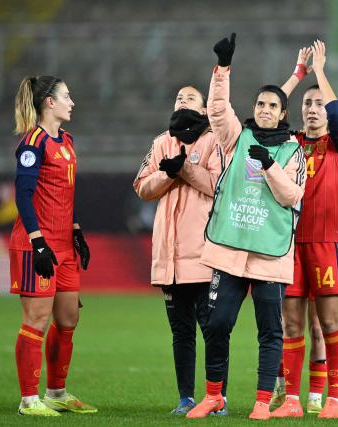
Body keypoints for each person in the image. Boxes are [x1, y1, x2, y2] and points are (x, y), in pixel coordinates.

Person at [185, 33, 306, 421]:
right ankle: (214, 396)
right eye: (260, 103)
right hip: (232, 248)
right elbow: (218, 111)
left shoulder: (292, 150)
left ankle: (261, 401)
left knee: (270, 333)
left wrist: (269, 166)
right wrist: (222, 69)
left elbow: (292, 197)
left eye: (273, 105)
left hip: (270, 253)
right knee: (217, 325)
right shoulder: (238, 138)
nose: (265, 109)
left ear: (283, 114)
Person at [269, 40, 338, 419]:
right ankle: (294, 402)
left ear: (327, 114)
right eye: (307, 104)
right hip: (290, 246)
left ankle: (332, 399)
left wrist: (320, 72)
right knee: (292, 323)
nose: (312, 109)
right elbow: (269, 108)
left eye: (318, 105)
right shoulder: (289, 144)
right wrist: (298, 74)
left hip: (327, 246)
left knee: (328, 323)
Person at [133, 84, 229, 416]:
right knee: (182, 332)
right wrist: (167, 173)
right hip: (170, 259)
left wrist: (185, 169)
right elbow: (142, 187)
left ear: (203, 110)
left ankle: (218, 398)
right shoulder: (162, 142)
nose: (181, 101)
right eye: (177, 97)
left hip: (204, 255)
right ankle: (186, 398)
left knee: (213, 330)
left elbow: (220, 186)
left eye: (189, 98)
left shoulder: (214, 140)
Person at [9, 76, 95, 416]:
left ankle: (57, 392)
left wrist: (76, 231)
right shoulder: (33, 143)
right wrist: (38, 242)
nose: (72, 102)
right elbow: (23, 195)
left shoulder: (68, 140)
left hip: (63, 244)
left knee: (68, 316)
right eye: (67, 96)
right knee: (36, 320)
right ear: (49, 103)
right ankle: (29, 400)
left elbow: (66, 192)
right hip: (38, 244)